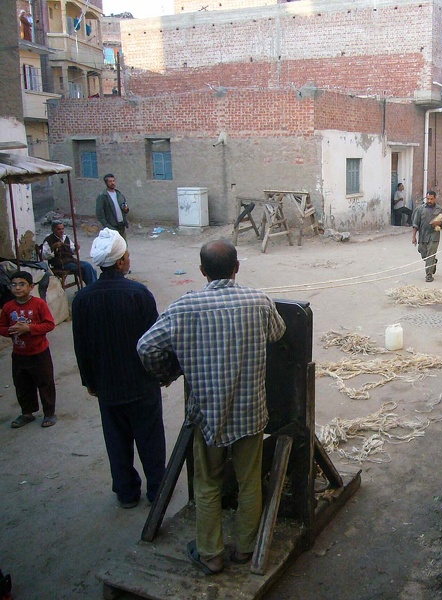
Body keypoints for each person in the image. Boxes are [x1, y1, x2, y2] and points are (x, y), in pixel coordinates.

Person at [137, 239, 286, 576]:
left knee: (208, 485)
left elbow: (146, 347)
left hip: (207, 415)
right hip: (250, 412)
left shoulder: (184, 307)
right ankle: (247, 549)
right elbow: (278, 332)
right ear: (237, 268)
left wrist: (171, 371)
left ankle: (211, 555)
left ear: (202, 271)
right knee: (250, 482)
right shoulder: (258, 301)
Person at [72, 228, 165, 508]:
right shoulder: (139, 294)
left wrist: (90, 381)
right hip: (142, 383)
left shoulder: (82, 299)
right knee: (150, 439)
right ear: (121, 261)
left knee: (116, 440)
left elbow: (82, 346)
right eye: (127, 255)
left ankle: (126, 493)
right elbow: (155, 340)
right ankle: (157, 491)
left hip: (107, 386)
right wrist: (161, 373)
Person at [0, 271, 57, 429]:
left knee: (45, 382)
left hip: (39, 352)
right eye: (14, 284)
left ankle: (49, 412)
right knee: (22, 384)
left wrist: (29, 328)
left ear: (31, 287)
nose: (17, 288)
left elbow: (49, 324)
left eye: (22, 284)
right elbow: (2, 326)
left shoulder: (39, 304)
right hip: (19, 353)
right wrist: (11, 331)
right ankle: (27, 413)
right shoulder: (8, 307)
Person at [41, 220, 98, 285]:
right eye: (59, 229)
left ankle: (92, 286)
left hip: (71, 261)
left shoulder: (65, 238)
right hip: (60, 264)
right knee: (86, 267)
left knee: (91, 269)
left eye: (62, 229)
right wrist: (53, 247)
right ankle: (92, 287)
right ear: (53, 230)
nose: (61, 231)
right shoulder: (48, 240)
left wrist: (76, 249)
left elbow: (73, 250)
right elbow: (44, 256)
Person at [412, 190, 442, 282]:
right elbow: (415, 223)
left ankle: (429, 275)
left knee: (430, 255)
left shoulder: (439, 209)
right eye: (428, 199)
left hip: (434, 236)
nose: (429, 201)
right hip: (423, 235)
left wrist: (438, 222)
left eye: (431, 199)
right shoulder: (420, 209)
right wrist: (414, 236)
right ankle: (433, 262)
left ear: (435, 199)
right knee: (423, 253)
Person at [96, 174, 129, 239]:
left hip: (121, 225)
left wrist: (126, 209)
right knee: (114, 247)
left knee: (123, 247)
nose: (112, 183)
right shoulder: (102, 196)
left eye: (113, 181)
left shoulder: (119, 195)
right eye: (110, 181)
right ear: (106, 183)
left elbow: (125, 207)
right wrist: (107, 226)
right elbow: (100, 214)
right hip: (111, 227)